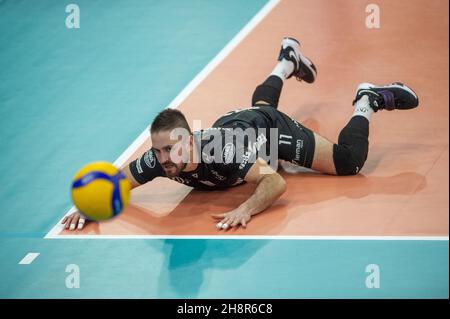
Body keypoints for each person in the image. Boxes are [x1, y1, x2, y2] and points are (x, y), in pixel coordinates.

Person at [62, 37, 419, 231]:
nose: (163, 159)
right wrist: (89, 205)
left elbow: (276, 184)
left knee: (347, 162)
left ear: (189, 142)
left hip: (269, 131)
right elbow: (116, 181)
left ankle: (367, 99)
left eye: (170, 150)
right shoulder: (160, 160)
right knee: (255, 109)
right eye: (158, 152)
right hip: (240, 123)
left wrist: (246, 209)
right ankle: (287, 61)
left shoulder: (223, 152)